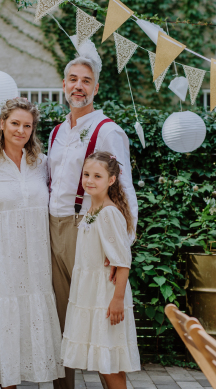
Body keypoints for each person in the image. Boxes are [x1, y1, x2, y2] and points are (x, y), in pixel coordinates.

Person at [48, 56, 138, 389]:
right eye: (72, 79)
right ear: (64, 85)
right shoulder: (57, 131)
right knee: (61, 317)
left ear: (96, 87)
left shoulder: (107, 130)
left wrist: (121, 249)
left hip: (86, 229)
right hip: (52, 226)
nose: (78, 86)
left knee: (97, 313)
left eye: (86, 80)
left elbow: (124, 186)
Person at [0, 98, 65, 389]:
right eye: (15, 123)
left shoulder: (43, 164)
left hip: (36, 261)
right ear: (2, 124)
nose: (21, 130)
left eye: (27, 126)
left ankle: (9, 380)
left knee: (29, 315)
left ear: (33, 130)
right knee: (2, 315)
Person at [60, 151, 140, 389]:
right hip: (90, 293)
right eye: (86, 174)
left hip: (106, 296)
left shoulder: (108, 213)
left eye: (97, 176)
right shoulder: (91, 212)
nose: (90, 180)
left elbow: (123, 261)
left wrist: (117, 300)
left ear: (111, 180)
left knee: (111, 364)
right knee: (102, 360)